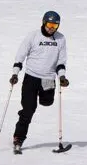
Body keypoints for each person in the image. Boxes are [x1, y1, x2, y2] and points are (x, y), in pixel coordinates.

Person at [9, 11, 69, 150]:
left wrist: (62, 77)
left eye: (55, 25)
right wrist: (15, 73)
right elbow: (20, 54)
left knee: (47, 102)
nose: (51, 28)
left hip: (48, 79)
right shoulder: (33, 36)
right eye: (49, 24)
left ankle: (41, 98)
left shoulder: (61, 39)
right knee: (29, 109)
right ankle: (19, 138)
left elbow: (61, 60)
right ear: (43, 22)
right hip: (31, 77)